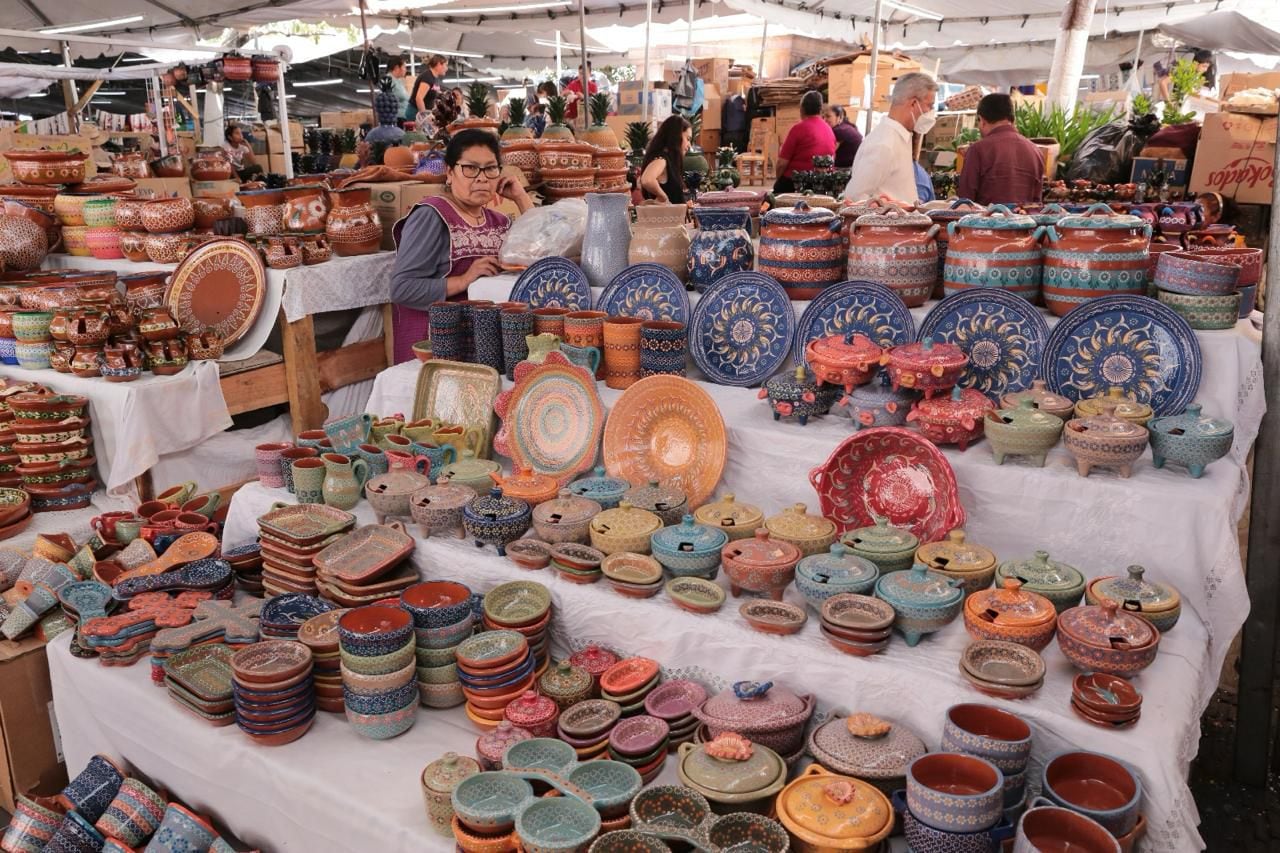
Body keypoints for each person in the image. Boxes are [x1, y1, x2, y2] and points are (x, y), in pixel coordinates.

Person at [389, 129, 534, 364]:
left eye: (490, 168)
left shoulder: (499, 222)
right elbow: (402, 288)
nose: (481, 178)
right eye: (470, 168)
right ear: (449, 172)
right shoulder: (431, 215)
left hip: (484, 350)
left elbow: (543, 248)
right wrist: (464, 280)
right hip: (439, 351)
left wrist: (520, 197)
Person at [842, 72, 938, 204]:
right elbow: (854, 196)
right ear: (914, 103)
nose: (931, 112)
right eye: (930, 105)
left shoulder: (900, 137)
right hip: (888, 223)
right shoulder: (884, 144)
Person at [956, 93, 1044, 206]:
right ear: (1013, 119)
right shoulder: (1035, 151)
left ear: (982, 120)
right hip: (1026, 221)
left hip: (985, 221)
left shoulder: (978, 149)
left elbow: (965, 201)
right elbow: (1037, 203)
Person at [774, 91, 836, 194]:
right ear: (821, 110)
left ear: (801, 109)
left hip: (797, 183)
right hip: (824, 183)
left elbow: (781, 163)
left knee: (769, 201)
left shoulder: (798, 129)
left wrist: (778, 182)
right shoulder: (829, 130)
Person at [639, 114, 691, 204]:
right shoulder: (661, 160)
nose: (689, 145)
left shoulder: (667, 160)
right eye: (688, 138)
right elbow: (647, 180)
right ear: (676, 136)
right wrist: (664, 198)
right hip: (666, 217)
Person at [407, 54, 447, 121]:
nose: (447, 68)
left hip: (424, 112)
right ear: (439, 64)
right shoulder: (428, 77)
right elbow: (419, 98)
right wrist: (425, 117)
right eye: (446, 65)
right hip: (416, 114)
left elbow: (434, 92)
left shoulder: (435, 78)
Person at [824, 104, 863, 168]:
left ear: (839, 117)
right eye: (824, 117)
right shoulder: (848, 126)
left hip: (846, 168)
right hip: (856, 165)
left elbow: (830, 152)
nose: (825, 120)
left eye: (828, 116)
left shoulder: (839, 131)